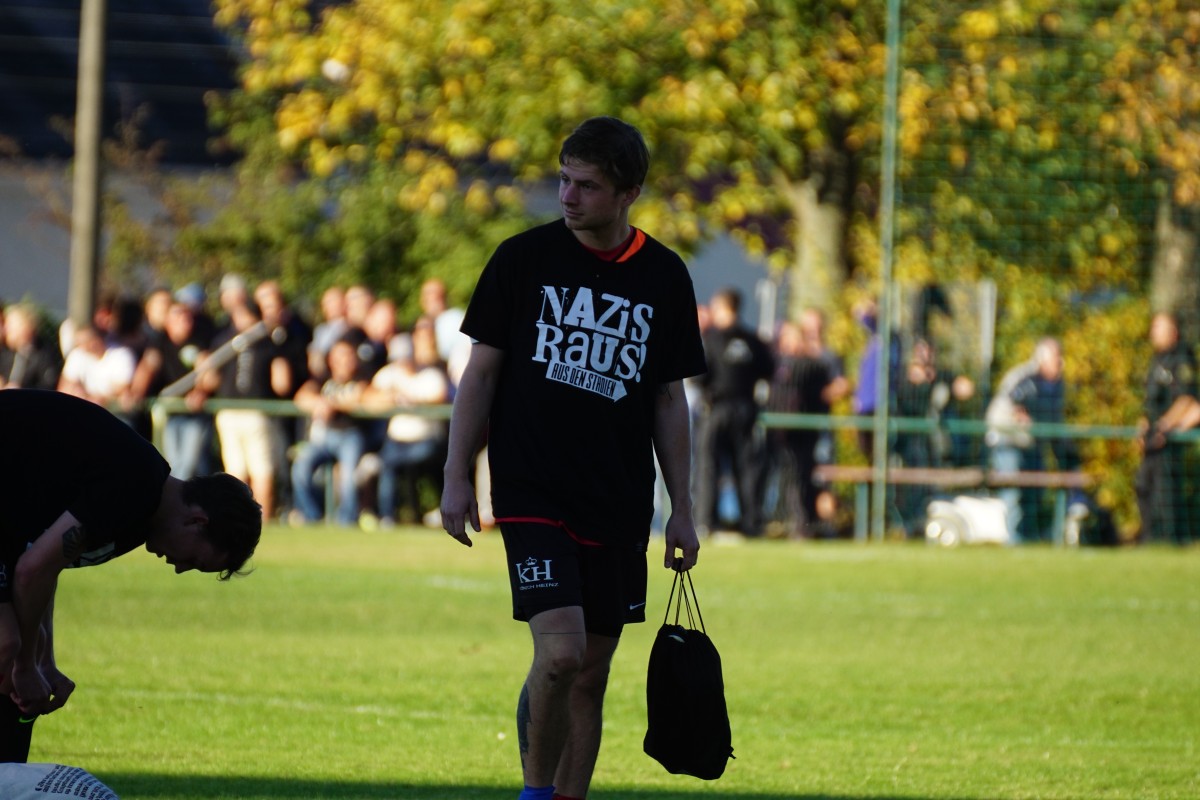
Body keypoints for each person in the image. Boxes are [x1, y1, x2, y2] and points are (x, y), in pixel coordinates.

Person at [439, 116, 706, 800]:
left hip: (618, 500)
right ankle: (534, 793)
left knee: (590, 675)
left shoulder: (665, 276)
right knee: (558, 658)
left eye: (586, 185)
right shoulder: (522, 259)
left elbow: (668, 401)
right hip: (532, 491)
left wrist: (683, 510)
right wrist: (456, 476)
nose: (567, 196)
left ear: (629, 193)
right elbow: (481, 376)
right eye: (563, 179)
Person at [0, 389, 261, 763]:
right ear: (197, 521)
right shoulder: (135, 488)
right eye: (196, 561)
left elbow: (44, 562)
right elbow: (31, 571)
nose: (180, 567)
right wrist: (26, 663)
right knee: (7, 645)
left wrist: (44, 660)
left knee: (13, 652)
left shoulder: (142, 514)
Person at [693, 286, 774, 538]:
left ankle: (707, 521)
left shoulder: (713, 340)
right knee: (747, 466)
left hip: (717, 409)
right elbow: (768, 369)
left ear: (725, 308)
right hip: (746, 408)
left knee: (709, 465)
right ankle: (751, 522)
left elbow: (699, 375)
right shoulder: (753, 340)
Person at [202, 300, 293, 521]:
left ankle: (237, 521)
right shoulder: (269, 340)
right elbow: (282, 383)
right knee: (260, 470)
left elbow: (208, 379)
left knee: (238, 472)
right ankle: (260, 522)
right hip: (254, 413)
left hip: (232, 412)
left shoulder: (224, 340)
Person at [985, 337, 1078, 542]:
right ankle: (1013, 542)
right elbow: (1014, 401)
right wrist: (1022, 416)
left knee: (1035, 493)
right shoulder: (1027, 376)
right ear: (1042, 358)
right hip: (1007, 441)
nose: (1060, 363)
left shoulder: (1057, 384)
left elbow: (1054, 419)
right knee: (1013, 492)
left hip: (1030, 443)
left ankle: (1029, 540)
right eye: (1056, 357)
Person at [362, 319, 452, 526]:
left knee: (389, 462)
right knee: (388, 463)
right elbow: (367, 396)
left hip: (427, 441)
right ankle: (388, 516)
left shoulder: (430, 374)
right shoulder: (390, 374)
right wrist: (387, 398)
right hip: (397, 440)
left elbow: (438, 396)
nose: (402, 362)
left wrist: (407, 396)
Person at [892, 338, 975, 537]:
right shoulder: (903, 379)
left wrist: (949, 383)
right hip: (910, 445)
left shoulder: (941, 376)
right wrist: (916, 381)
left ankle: (931, 523)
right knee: (910, 487)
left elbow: (966, 389)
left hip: (934, 445)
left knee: (933, 487)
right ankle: (909, 526)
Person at [290, 338, 370, 526]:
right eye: (340, 356)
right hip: (325, 436)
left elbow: (362, 396)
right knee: (300, 466)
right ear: (331, 360)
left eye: (349, 355)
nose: (345, 360)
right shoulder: (322, 379)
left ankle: (346, 521)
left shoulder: (363, 376)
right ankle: (311, 517)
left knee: (349, 477)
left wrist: (333, 404)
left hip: (350, 435)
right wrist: (319, 402)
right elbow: (301, 397)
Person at [1135, 312, 1198, 544]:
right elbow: (1150, 402)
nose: (1153, 332)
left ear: (1173, 331)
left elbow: (1188, 399)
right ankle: (1150, 538)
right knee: (1143, 485)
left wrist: (1165, 426)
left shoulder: (1182, 357)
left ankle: (1170, 541)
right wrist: (1143, 426)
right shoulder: (1156, 359)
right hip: (1152, 436)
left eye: (1158, 327)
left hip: (1168, 438)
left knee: (1166, 491)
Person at [0, 304, 61, 392]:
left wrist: (22, 390)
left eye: (10, 326)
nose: (5, 330)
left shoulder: (43, 354)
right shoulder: (6, 353)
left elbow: (48, 385)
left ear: (23, 328)